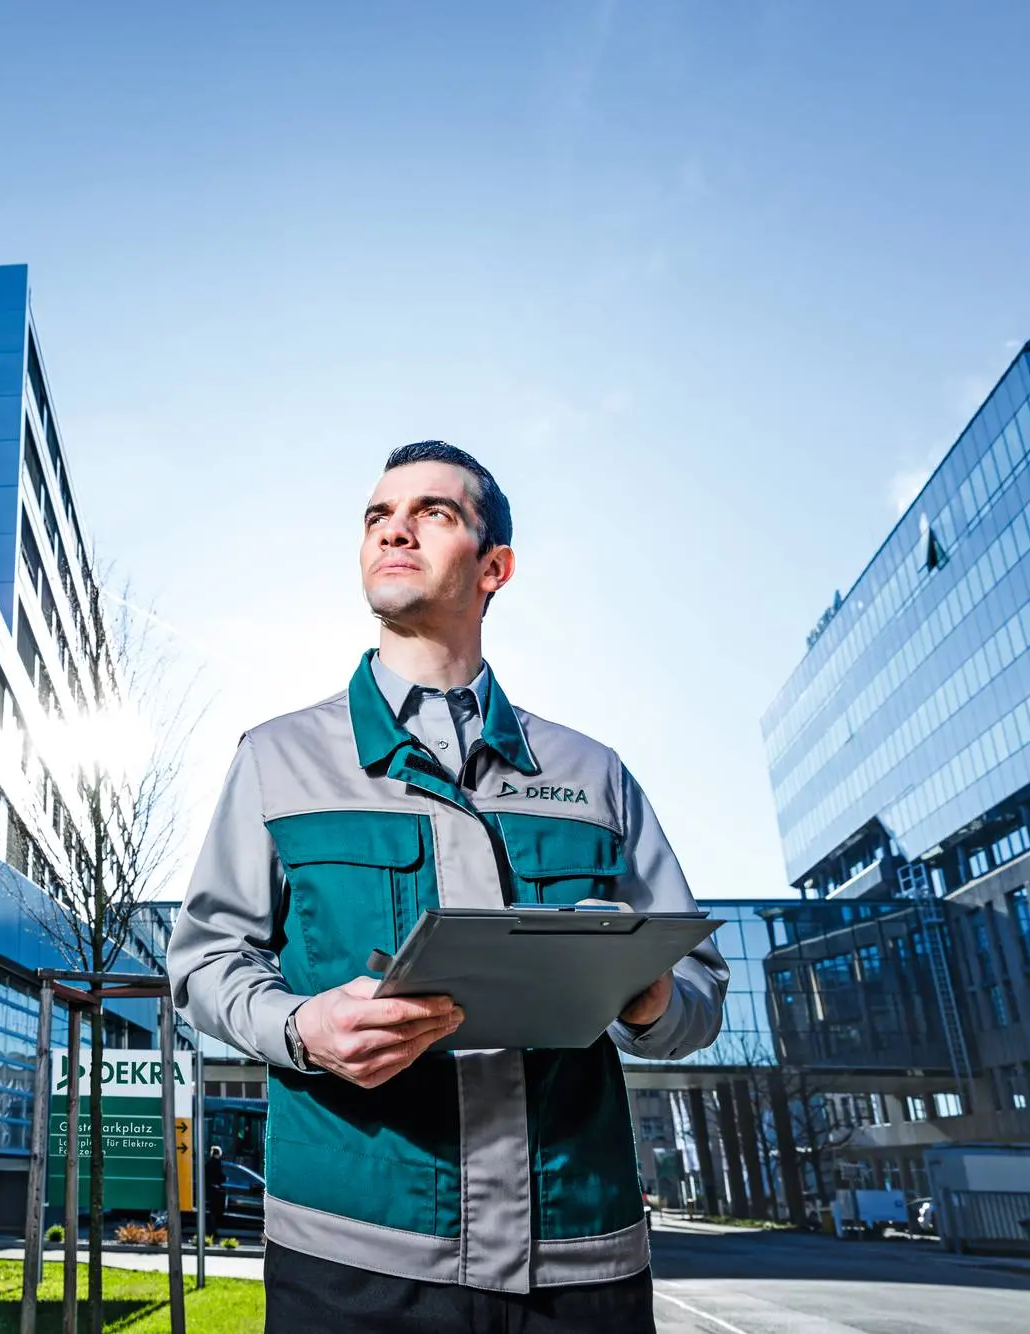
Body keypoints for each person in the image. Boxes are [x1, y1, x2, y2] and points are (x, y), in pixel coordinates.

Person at [167, 442, 727, 1333]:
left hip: (582, 1262)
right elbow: (203, 963)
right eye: (377, 517)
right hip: (353, 1259)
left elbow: (701, 990)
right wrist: (301, 1025)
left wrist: (649, 991)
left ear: (495, 566)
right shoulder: (278, 761)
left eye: (432, 512)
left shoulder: (594, 775)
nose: (394, 528)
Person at [205, 1144, 228, 1235]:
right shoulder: (217, 1163)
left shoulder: (208, 1163)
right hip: (216, 1191)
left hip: (209, 1190)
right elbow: (219, 1176)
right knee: (215, 1211)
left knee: (211, 1212)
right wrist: (224, 1178)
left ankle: (211, 1230)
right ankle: (213, 1231)